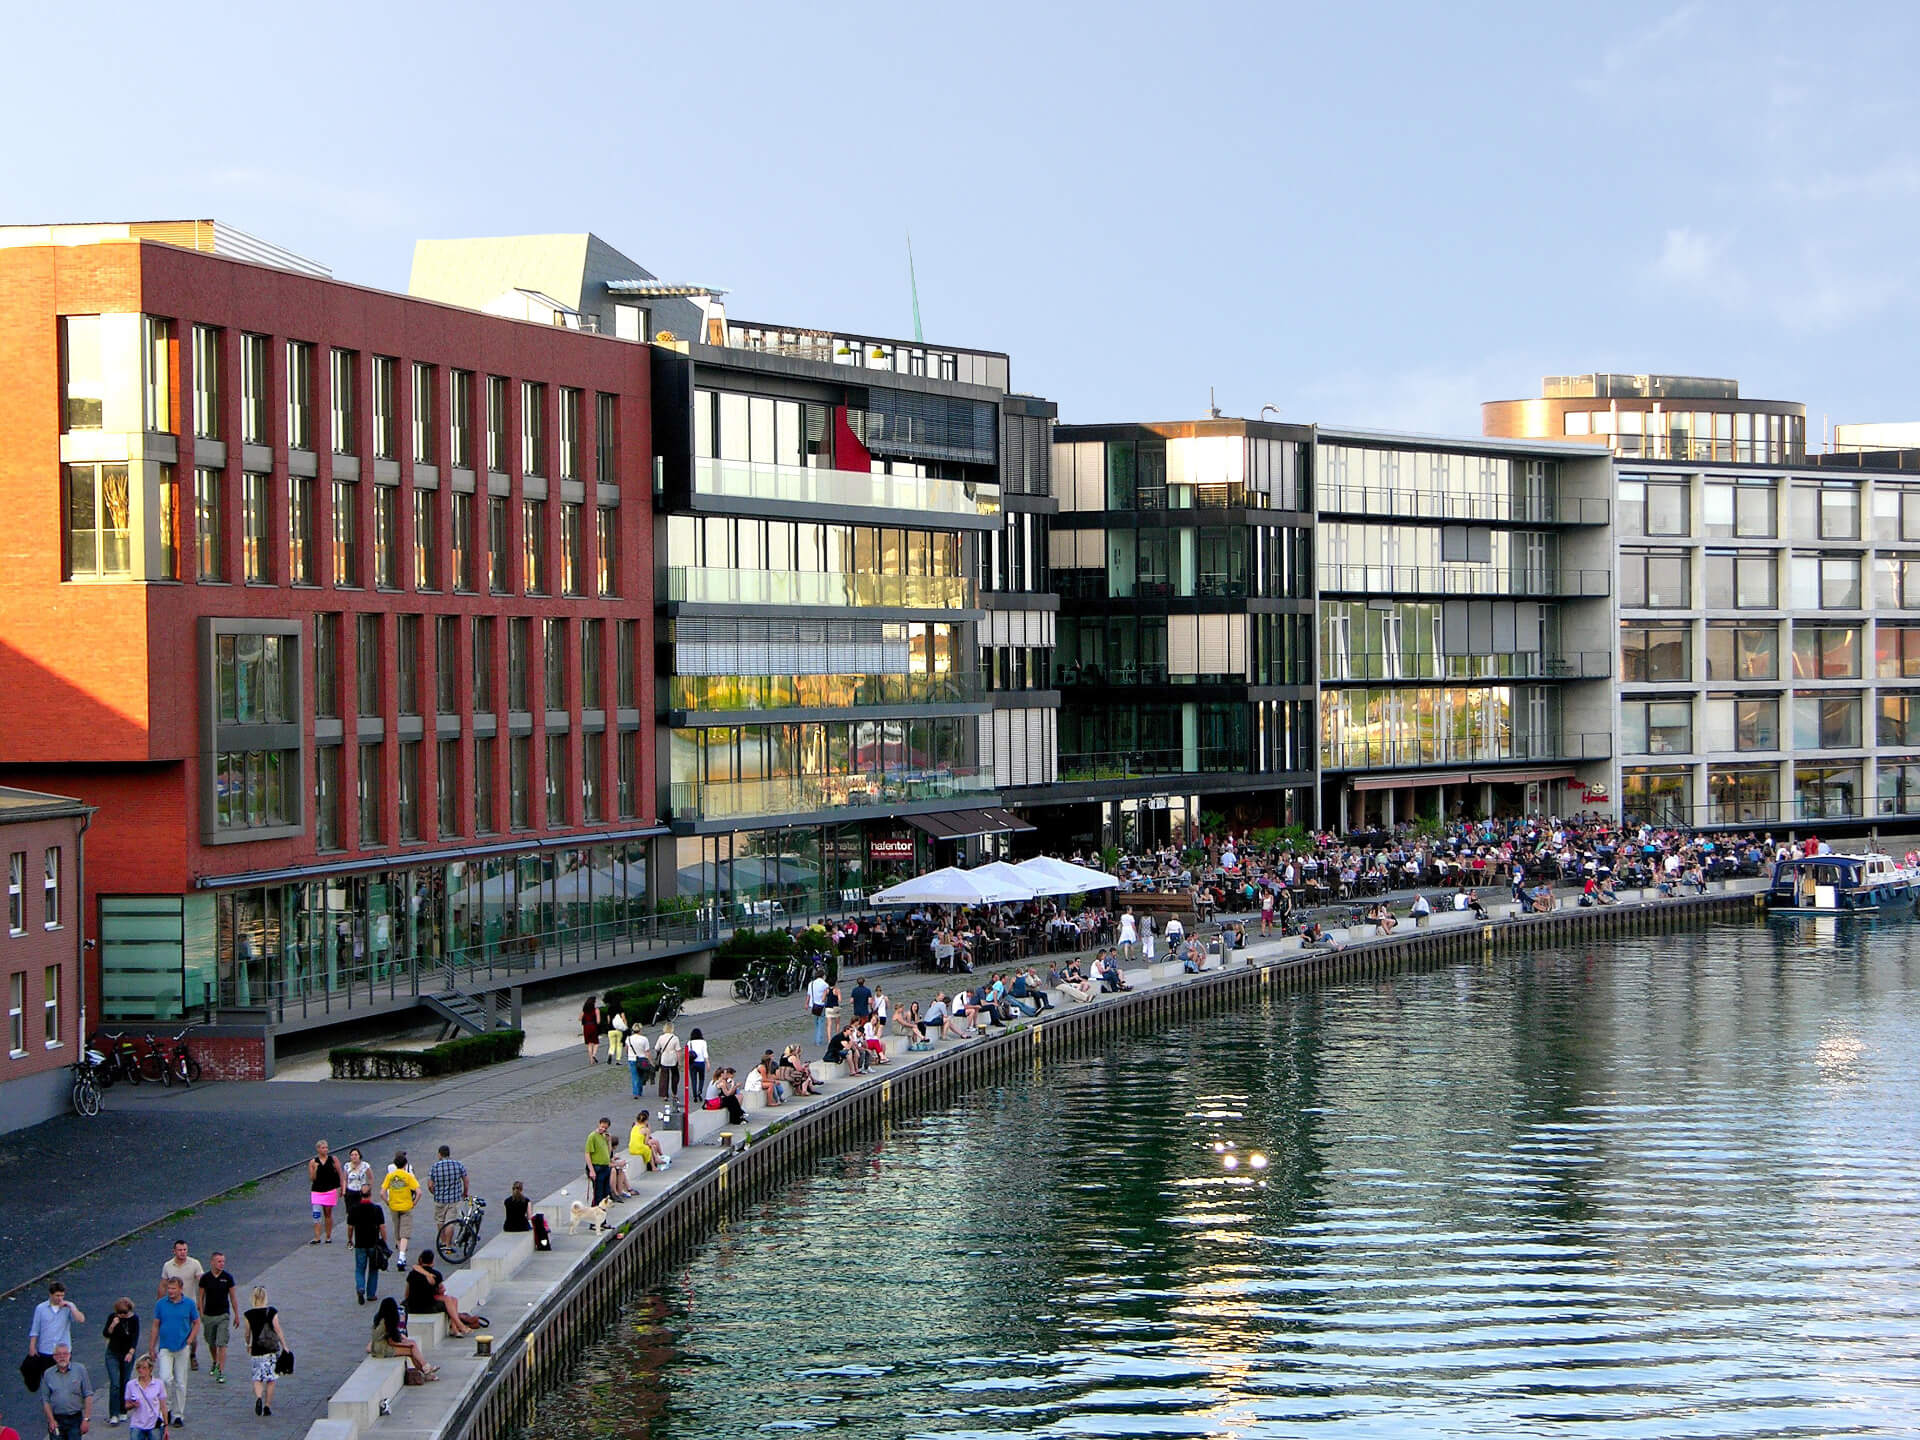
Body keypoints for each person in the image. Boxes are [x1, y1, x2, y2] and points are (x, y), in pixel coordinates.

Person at [148, 1276, 198, 1428]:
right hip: (165, 1346)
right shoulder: (161, 1304)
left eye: (173, 1288)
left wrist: (190, 1339)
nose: (170, 1291)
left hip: (182, 1346)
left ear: (180, 1289)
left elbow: (196, 1322)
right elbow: (156, 1325)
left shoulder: (189, 1304)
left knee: (181, 1382)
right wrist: (152, 1346)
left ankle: (178, 1414)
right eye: (169, 1288)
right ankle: (167, 1407)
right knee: (164, 1378)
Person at [27, 1282, 86, 1389]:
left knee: (65, 1379)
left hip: (63, 1350)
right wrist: (32, 1346)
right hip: (46, 1350)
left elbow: (80, 1319)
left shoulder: (67, 1308)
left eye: (62, 1296)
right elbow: (35, 1329)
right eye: (57, 1296)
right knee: (48, 1380)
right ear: (50, 1295)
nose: (60, 1298)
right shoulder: (41, 1308)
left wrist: (72, 1306)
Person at [155, 1241, 202, 1372]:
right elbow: (163, 1284)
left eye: (185, 1250)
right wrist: (159, 1302)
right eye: (180, 1250)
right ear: (174, 1251)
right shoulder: (168, 1266)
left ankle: (192, 1355)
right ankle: (173, 1354)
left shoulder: (194, 1264)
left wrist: (201, 1301)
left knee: (192, 1332)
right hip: (171, 1304)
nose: (183, 1252)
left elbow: (201, 1282)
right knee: (174, 1329)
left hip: (189, 1304)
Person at [404, 1251, 471, 1339]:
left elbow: (406, 1294)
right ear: (432, 1262)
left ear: (421, 1260)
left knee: (452, 1299)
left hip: (412, 1306)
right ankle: (457, 1326)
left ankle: (455, 1328)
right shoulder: (436, 1274)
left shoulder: (412, 1274)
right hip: (428, 1307)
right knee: (451, 1300)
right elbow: (441, 1291)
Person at [366, 1298, 435, 1383]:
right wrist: (407, 1345)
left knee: (411, 1348)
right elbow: (392, 1342)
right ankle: (426, 1368)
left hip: (377, 1347)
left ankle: (425, 1369)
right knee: (411, 1350)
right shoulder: (388, 1321)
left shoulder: (379, 1318)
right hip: (382, 1349)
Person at [241, 1286, 285, 1418]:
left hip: (256, 1350)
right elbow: (278, 1329)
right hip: (270, 1350)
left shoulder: (248, 1314)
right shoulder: (272, 1311)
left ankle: (259, 1397)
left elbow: (247, 1333)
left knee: (257, 1378)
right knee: (271, 1379)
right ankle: (267, 1406)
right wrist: (284, 1345)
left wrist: (248, 1344)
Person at [196, 1252, 238, 1384]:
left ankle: (221, 1370)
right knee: (211, 1341)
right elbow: (201, 1297)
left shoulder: (227, 1278)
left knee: (222, 1343)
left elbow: (233, 1297)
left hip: (223, 1315)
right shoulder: (205, 1278)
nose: (222, 1264)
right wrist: (201, 1314)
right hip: (209, 1315)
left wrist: (236, 1314)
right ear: (212, 1262)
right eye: (219, 1261)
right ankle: (215, 1360)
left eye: (223, 1261)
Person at [41, 1343, 93, 1440]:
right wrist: (51, 1420)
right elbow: (45, 1400)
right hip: (57, 1419)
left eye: (65, 1354)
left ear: (70, 1355)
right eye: (59, 1354)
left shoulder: (80, 1369)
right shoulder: (48, 1374)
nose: (62, 1357)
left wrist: (86, 1419)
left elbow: (88, 1394)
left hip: (75, 1419)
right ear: (54, 1357)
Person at [381, 1152, 421, 1269]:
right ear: (405, 1164)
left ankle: (400, 1252)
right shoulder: (408, 1176)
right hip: (406, 1206)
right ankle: (402, 1256)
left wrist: (387, 1202)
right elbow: (419, 1192)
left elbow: (382, 1192)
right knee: (405, 1232)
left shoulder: (390, 1176)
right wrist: (414, 1202)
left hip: (394, 1206)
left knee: (397, 1230)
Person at [102, 1298, 138, 1426]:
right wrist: (113, 1325)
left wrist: (131, 1352)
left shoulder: (134, 1319)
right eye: (120, 1313)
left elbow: (135, 1337)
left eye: (125, 1313)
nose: (122, 1315)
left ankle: (123, 1410)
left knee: (125, 1382)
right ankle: (113, 1414)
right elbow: (106, 1333)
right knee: (115, 1383)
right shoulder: (112, 1317)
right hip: (113, 1353)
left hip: (127, 1353)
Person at [348, 1190, 387, 1304]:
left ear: (361, 1195)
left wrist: (350, 1240)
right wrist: (384, 1242)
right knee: (373, 1269)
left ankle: (360, 1287)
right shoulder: (377, 1209)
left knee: (360, 1269)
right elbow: (382, 1227)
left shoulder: (354, 1209)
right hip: (373, 1244)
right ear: (370, 1195)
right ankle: (371, 1294)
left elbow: (350, 1227)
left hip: (360, 1244)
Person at [122, 1353, 167, 1440]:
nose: (140, 1370)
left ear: (150, 1369)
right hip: (137, 1424)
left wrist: (166, 1426)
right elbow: (126, 1405)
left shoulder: (158, 1384)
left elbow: (163, 1406)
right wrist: (133, 1405)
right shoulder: (131, 1385)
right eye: (138, 1368)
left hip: (154, 1424)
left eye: (144, 1368)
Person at [427, 1144, 469, 1237]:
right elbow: (466, 1180)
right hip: (454, 1199)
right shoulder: (458, 1164)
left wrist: (435, 1193)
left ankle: (442, 1242)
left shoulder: (435, 1167)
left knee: (440, 1221)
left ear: (439, 1154)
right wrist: (465, 1192)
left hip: (440, 1199)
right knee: (450, 1222)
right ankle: (448, 1245)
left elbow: (430, 1185)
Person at [308, 1139, 343, 1245]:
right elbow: (312, 1178)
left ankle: (328, 1236)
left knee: (328, 1213)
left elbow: (340, 1173)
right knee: (316, 1214)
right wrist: (315, 1169)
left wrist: (342, 1187)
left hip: (330, 1189)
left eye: (326, 1148)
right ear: (318, 1149)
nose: (325, 1150)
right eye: (323, 1148)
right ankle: (317, 1237)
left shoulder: (333, 1159)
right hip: (317, 1191)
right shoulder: (313, 1162)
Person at [655, 1021, 683, 1114]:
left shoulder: (661, 1037)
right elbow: (678, 1051)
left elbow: (656, 1048)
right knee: (675, 1076)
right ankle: (674, 1093)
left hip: (664, 1059)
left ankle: (664, 1095)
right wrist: (680, 1062)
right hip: (673, 1059)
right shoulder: (675, 1038)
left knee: (664, 1077)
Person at [585, 1118, 614, 1206]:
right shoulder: (592, 1136)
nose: (603, 1129)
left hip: (606, 1167)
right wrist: (591, 1170)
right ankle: (596, 1212)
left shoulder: (604, 1136)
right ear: (599, 1124)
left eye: (606, 1128)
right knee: (598, 1193)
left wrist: (609, 1141)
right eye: (602, 1127)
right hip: (597, 1167)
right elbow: (587, 1154)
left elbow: (609, 1154)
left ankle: (602, 1214)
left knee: (606, 1193)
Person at [624, 1023, 653, 1100]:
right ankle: (639, 1091)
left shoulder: (629, 1039)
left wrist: (628, 1054)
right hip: (642, 1059)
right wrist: (650, 1061)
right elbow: (647, 1051)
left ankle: (635, 1093)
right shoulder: (644, 1039)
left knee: (634, 1076)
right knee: (641, 1075)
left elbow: (626, 1049)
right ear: (640, 1030)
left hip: (632, 1059)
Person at [341, 1146, 374, 1213]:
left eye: (356, 1155)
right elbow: (344, 1179)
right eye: (352, 1155)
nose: (354, 1157)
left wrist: (368, 1189)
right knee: (351, 1212)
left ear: (359, 1156)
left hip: (361, 1192)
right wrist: (344, 1191)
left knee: (362, 1212)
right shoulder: (347, 1165)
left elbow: (371, 1178)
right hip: (350, 1192)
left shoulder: (365, 1165)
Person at [806, 968, 830, 1047]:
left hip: (813, 1005)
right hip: (821, 1005)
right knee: (821, 1023)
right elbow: (827, 993)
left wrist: (806, 1004)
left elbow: (808, 995)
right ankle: (818, 1041)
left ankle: (816, 1039)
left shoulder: (811, 983)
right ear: (823, 976)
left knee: (816, 1023)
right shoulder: (824, 984)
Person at [685, 1027, 709, 1101]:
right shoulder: (703, 1042)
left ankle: (695, 1095)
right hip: (701, 1063)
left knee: (693, 1079)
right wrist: (708, 1062)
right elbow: (705, 1053)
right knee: (701, 1078)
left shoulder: (689, 1043)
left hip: (692, 1063)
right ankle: (700, 1091)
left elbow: (687, 1054)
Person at [580, 995, 601, 1064]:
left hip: (586, 1027)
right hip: (593, 1026)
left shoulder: (584, 1010)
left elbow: (579, 1018)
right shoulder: (596, 1010)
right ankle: (594, 1055)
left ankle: (591, 1060)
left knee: (589, 1044)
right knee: (596, 1043)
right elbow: (598, 1021)